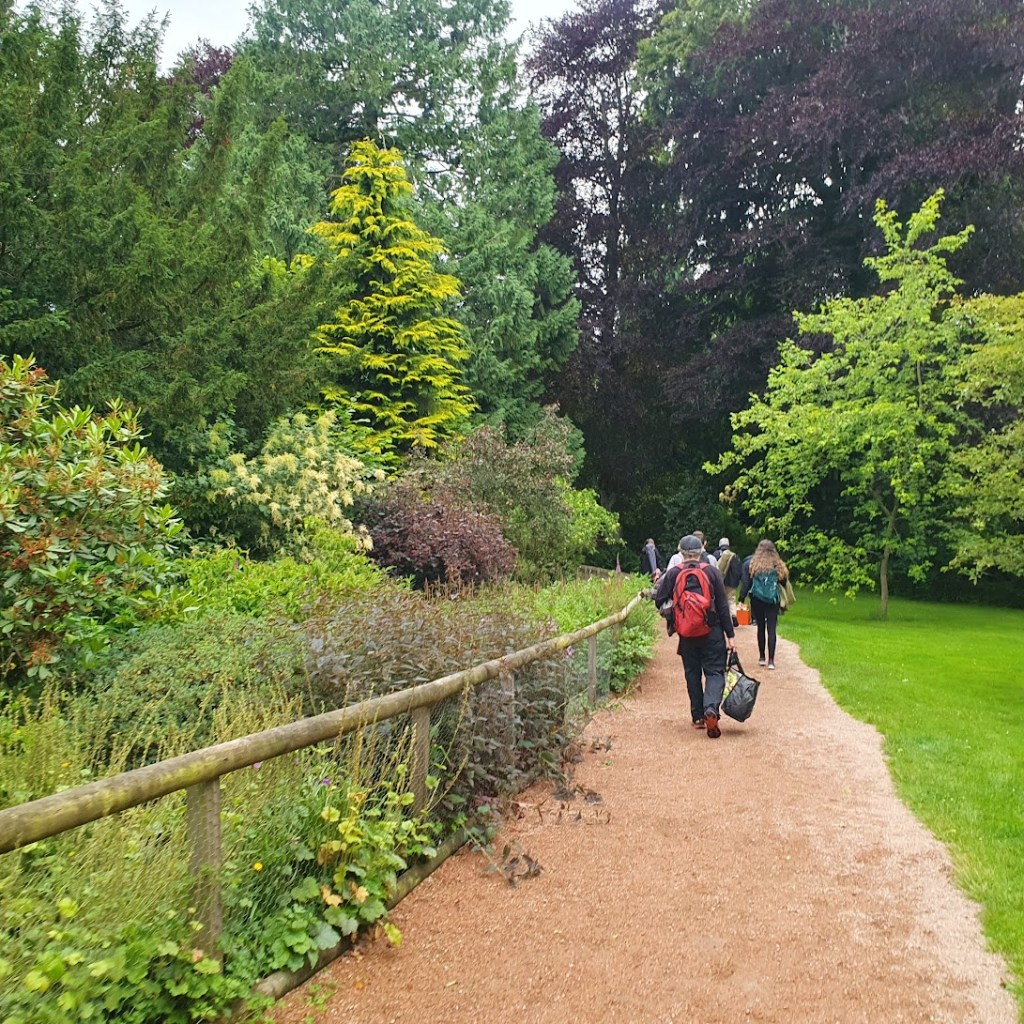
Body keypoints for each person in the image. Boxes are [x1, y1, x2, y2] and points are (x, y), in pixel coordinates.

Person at [654, 534, 736, 738]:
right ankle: (711, 709)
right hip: (713, 630)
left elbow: (659, 599)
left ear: (681, 553)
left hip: (687, 633)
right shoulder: (712, 572)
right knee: (715, 672)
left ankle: (698, 717)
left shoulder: (673, 573)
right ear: (701, 552)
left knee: (692, 673)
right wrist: (730, 635)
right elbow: (723, 606)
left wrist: (676, 613)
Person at [737, 538, 789, 670]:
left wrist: (741, 598)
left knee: (760, 627)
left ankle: (761, 657)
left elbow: (747, 583)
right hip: (773, 600)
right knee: (772, 629)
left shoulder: (753, 564)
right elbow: (783, 582)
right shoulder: (778, 565)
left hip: (757, 599)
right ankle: (771, 660)